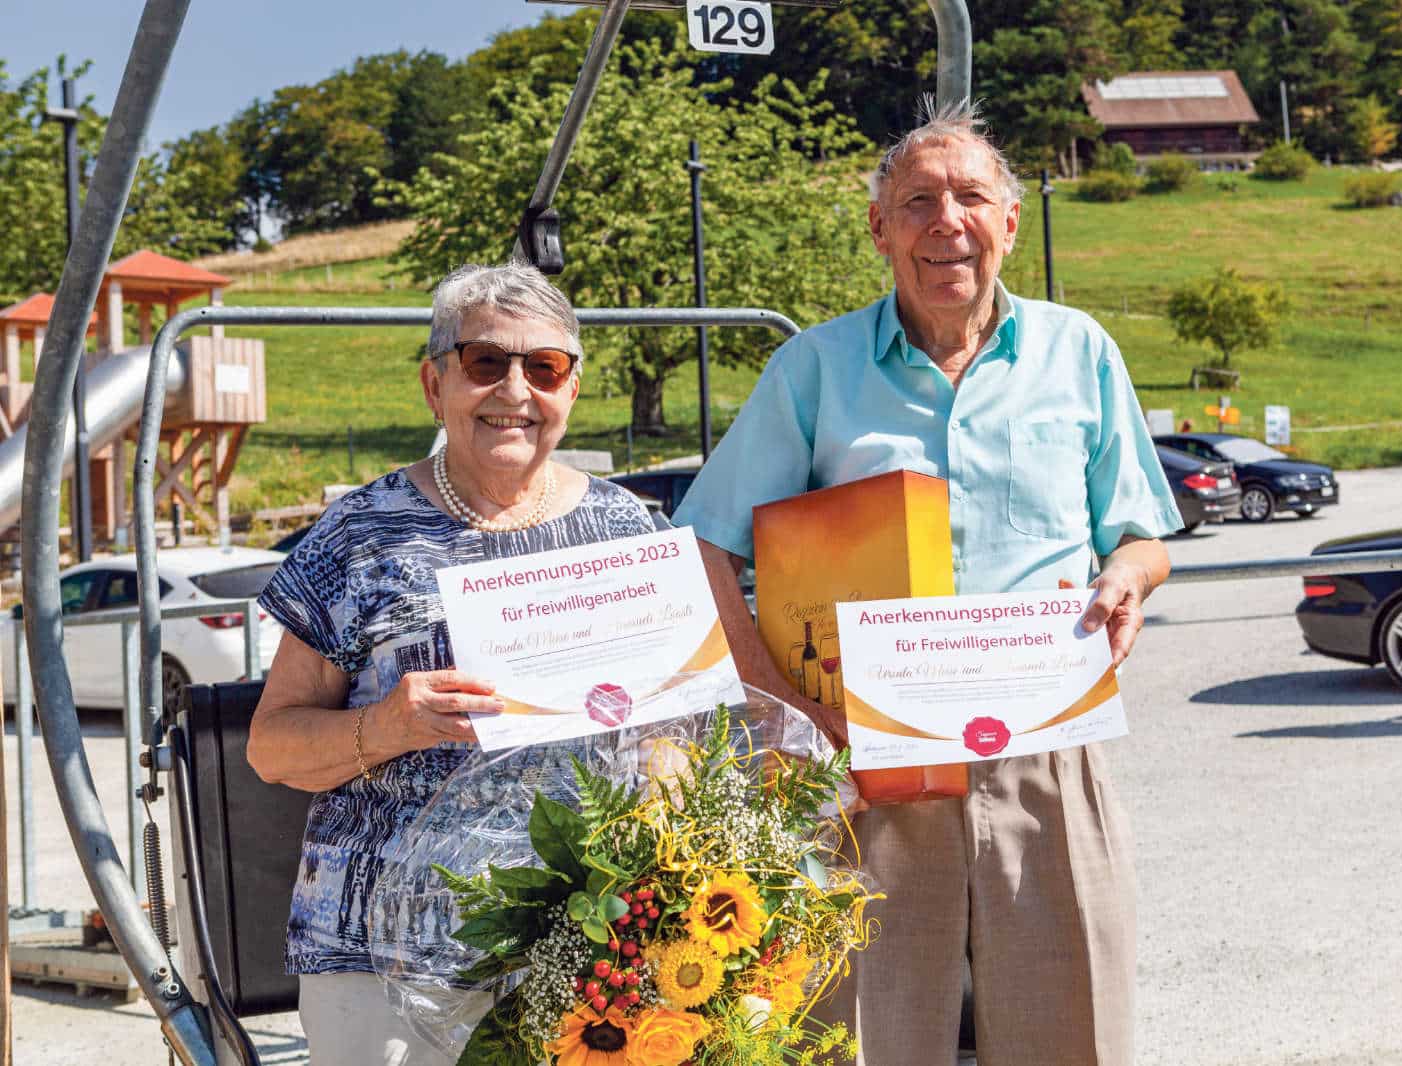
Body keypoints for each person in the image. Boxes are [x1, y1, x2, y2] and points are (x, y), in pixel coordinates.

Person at [673, 100, 1181, 1066]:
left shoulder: (1080, 351)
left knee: (1072, 1032)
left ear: (1010, 223)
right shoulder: (813, 369)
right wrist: (783, 709)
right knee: (863, 1039)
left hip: (1046, 750)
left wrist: (1126, 578)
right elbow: (702, 551)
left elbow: (1142, 535)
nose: (946, 222)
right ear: (880, 229)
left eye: (970, 198)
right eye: (917, 201)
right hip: (867, 768)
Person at [246, 263, 657, 1065]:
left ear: (572, 389)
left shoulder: (627, 527)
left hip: (588, 946)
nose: (515, 390)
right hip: (382, 961)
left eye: (544, 367)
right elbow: (271, 745)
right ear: (435, 386)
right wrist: (390, 723)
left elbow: (674, 720)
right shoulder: (361, 532)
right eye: (483, 363)